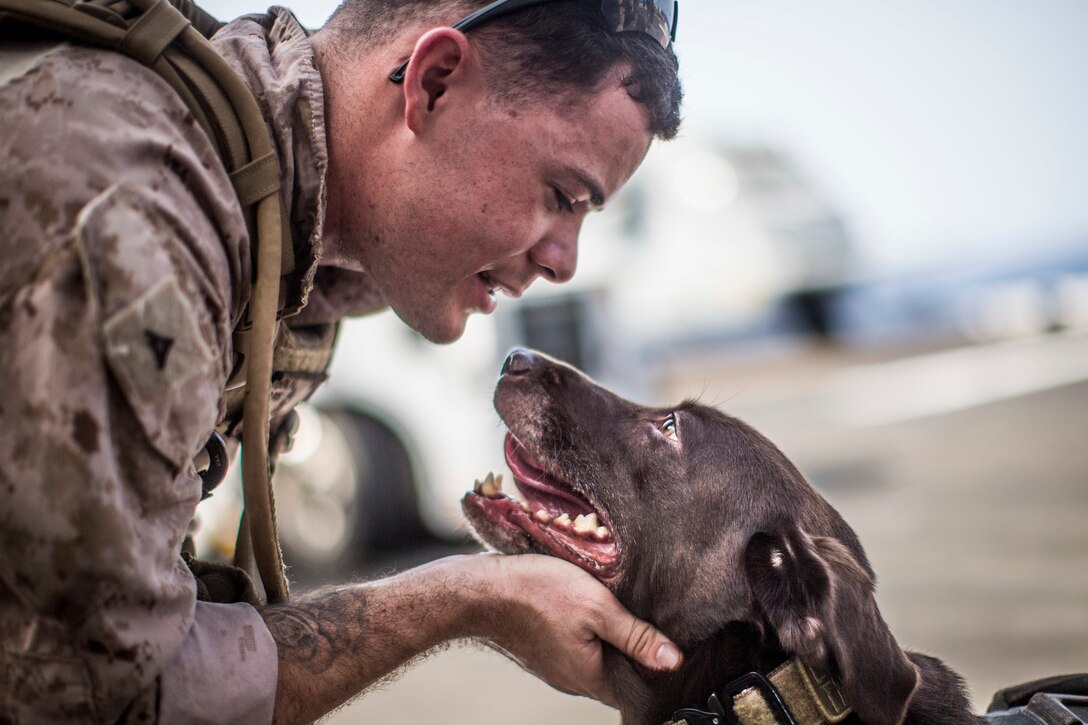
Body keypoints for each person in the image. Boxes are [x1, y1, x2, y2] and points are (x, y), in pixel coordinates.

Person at [0, 0, 683, 721]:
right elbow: (106, 695)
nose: (563, 261)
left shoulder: (291, 236)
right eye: (561, 195)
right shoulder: (138, 215)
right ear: (436, 82)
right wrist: (473, 597)